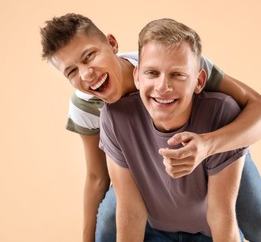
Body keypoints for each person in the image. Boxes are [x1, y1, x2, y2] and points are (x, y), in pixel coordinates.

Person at [40, 13, 261, 241]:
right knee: (109, 216)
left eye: (89, 56)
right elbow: (97, 177)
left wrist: (208, 146)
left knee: (259, 226)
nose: (86, 74)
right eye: (72, 71)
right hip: (141, 163)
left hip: (217, 148)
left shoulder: (170, 61)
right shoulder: (89, 107)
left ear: (111, 44)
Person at [100, 18, 248, 241]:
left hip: (207, 234)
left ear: (199, 81)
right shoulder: (115, 118)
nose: (163, 87)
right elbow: (131, 213)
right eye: (152, 73)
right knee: (107, 215)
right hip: (155, 232)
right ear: (137, 76)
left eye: (177, 74)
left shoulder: (221, 113)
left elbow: (220, 216)